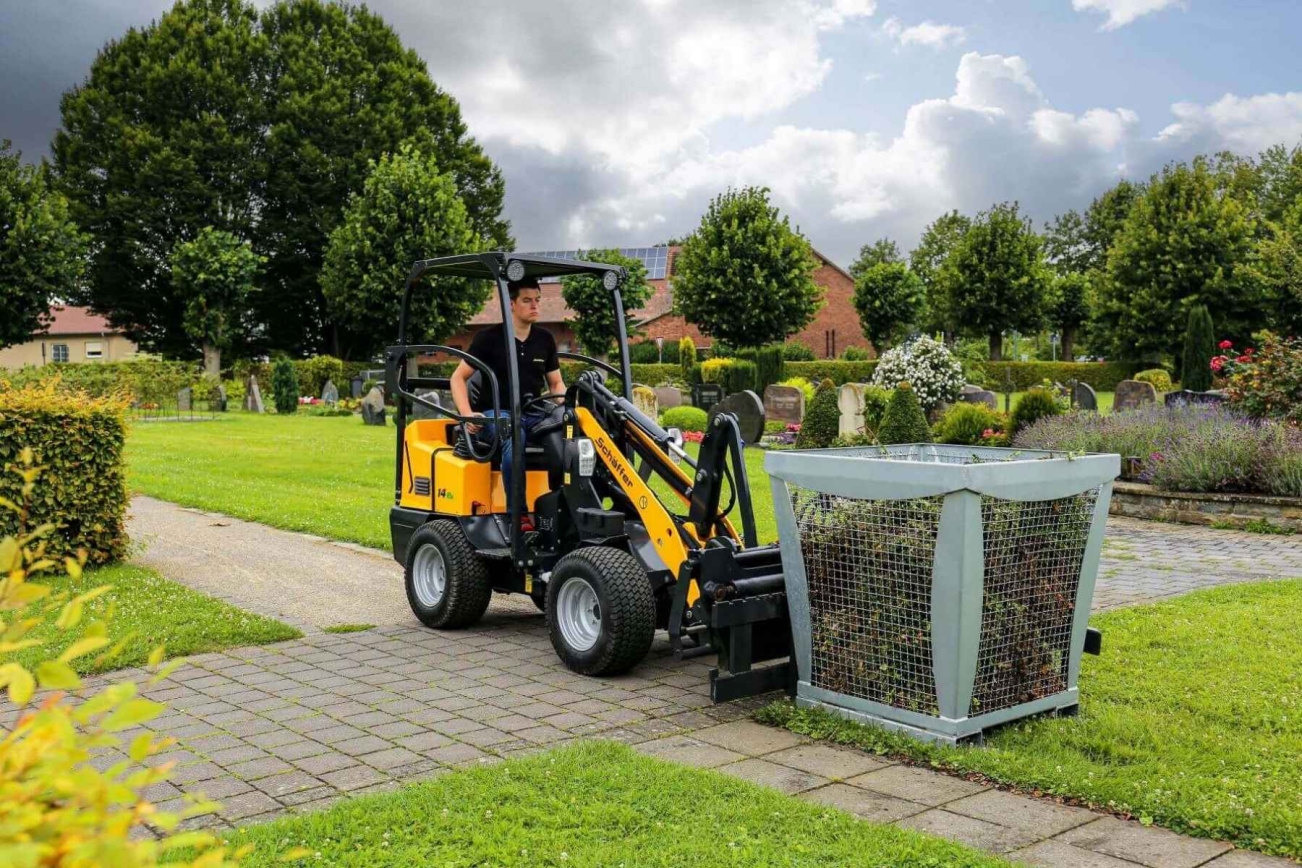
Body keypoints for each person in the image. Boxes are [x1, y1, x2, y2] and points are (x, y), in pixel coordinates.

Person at [449, 276, 564, 516]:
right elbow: (458, 378)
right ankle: (518, 519)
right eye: (527, 300)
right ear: (511, 304)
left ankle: (562, 508)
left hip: (533, 412)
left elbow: (555, 384)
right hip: (496, 413)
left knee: (568, 434)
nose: (535, 306)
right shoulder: (488, 339)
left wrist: (567, 409)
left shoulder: (545, 339)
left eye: (538, 300)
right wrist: (467, 415)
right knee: (513, 433)